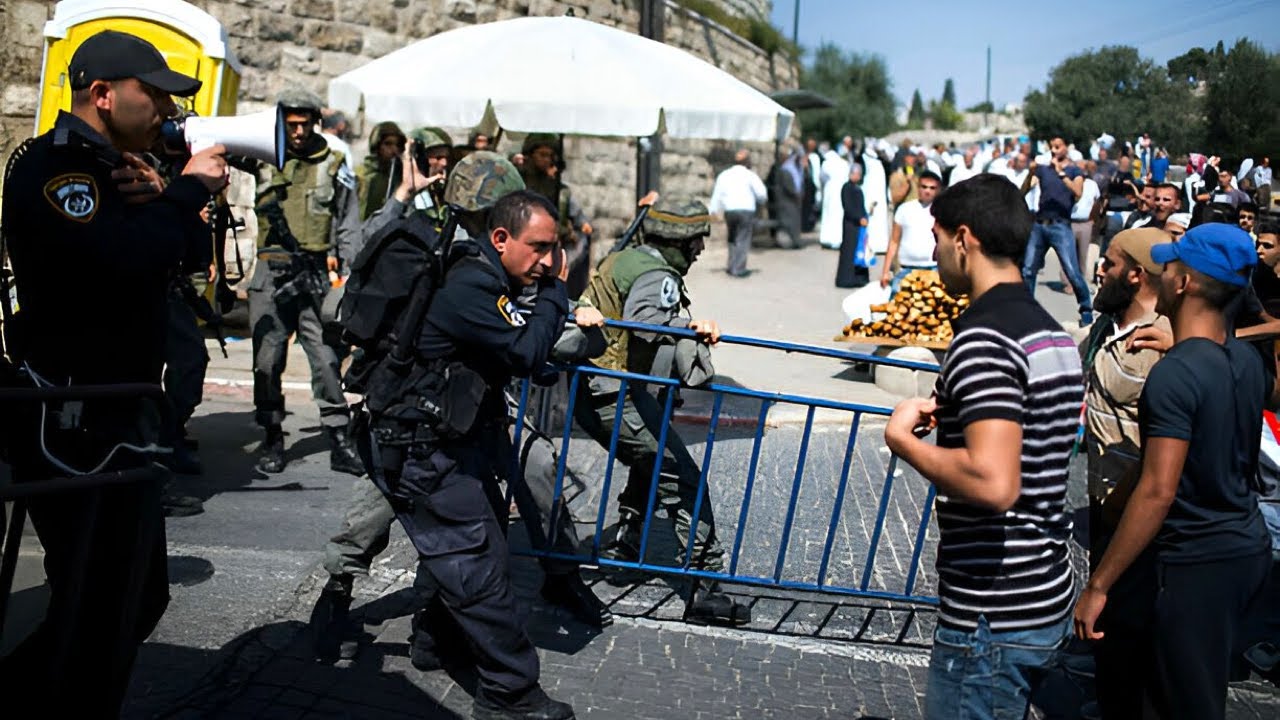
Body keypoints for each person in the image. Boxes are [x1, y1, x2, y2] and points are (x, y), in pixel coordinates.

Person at [0, 30, 227, 713]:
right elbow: (118, 261)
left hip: (118, 419)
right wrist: (182, 195)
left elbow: (180, 255)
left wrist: (167, 194)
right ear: (102, 94)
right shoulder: (57, 169)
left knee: (129, 597)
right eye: (151, 92)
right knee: (99, 603)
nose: (164, 107)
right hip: (74, 421)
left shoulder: (118, 166)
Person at [310, 151, 611, 666]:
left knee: (527, 478)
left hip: (472, 400)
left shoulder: (478, 258)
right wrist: (571, 320)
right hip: (424, 405)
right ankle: (339, 592)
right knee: (396, 500)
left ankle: (536, 585)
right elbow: (528, 341)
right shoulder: (461, 264)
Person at [360, 187, 577, 719]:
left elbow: (499, 351)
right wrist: (556, 294)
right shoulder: (472, 282)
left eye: (554, 250)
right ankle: (509, 694)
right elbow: (525, 350)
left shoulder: (480, 275)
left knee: (468, 553)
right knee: (478, 567)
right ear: (501, 238)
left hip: (441, 440)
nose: (547, 261)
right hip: (417, 449)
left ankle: (437, 643)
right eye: (539, 248)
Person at [884, 174, 1082, 720]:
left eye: (938, 236)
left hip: (992, 615)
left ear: (964, 239)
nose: (934, 250)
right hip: (1041, 594)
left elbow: (994, 482)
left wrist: (902, 440)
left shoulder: (984, 339)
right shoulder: (1050, 333)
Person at [1074, 224, 1272, 720]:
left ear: (1182, 285)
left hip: (1192, 565)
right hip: (1242, 551)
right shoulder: (1245, 361)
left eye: (1168, 269)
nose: (1160, 278)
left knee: (1181, 704)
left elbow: (1157, 491)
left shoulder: (1175, 375)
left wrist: (1099, 585)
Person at [576, 197, 752, 626]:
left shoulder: (627, 258)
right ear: (676, 242)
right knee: (684, 479)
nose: (699, 251)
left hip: (601, 390)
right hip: (614, 396)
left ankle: (628, 543)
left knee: (651, 464)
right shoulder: (658, 275)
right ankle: (704, 588)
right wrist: (690, 328)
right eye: (694, 242)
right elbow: (644, 322)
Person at [250, 88, 362, 475]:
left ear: (316, 122)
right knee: (267, 359)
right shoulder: (262, 155)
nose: (297, 133)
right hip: (271, 270)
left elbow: (348, 222)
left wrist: (349, 276)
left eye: (304, 124)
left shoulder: (334, 162)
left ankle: (338, 437)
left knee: (327, 358)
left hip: (315, 272)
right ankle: (271, 435)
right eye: (290, 125)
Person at [1021, 137, 1094, 326]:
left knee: (1072, 270)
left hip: (1060, 225)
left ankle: (1086, 310)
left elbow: (1077, 193)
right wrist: (1030, 174)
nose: (1053, 151)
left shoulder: (1074, 171)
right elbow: (1024, 190)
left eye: (1057, 147)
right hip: (1039, 224)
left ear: (1065, 148)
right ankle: (1026, 310)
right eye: (1051, 147)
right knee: (1028, 269)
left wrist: (1061, 173)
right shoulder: (1043, 170)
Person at [518, 134, 593, 298]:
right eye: (542, 155)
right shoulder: (519, 184)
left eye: (551, 156)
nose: (547, 160)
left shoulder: (560, 191)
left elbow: (579, 219)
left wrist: (578, 228)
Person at [708, 148, 767, 278]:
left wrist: (712, 210)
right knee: (743, 239)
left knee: (732, 238)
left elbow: (717, 194)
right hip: (746, 210)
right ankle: (738, 268)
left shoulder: (725, 175)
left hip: (730, 210)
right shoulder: (750, 175)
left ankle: (731, 265)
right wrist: (761, 201)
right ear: (747, 162)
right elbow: (762, 194)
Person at [880, 170, 940, 293]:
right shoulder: (904, 210)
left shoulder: (942, 212)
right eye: (924, 187)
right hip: (906, 270)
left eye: (932, 188)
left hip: (932, 270)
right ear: (918, 188)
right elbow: (894, 242)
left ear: (938, 190)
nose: (927, 191)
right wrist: (885, 272)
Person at [355, 120, 406, 220]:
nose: (394, 150)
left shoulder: (399, 176)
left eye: (398, 145)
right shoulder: (361, 174)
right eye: (388, 144)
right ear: (377, 146)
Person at [835, 163, 870, 288]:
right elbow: (848, 207)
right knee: (849, 251)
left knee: (859, 250)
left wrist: (866, 215)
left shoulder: (857, 188)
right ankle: (846, 279)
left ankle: (858, 277)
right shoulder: (847, 188)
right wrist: (858, 218)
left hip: (859, 225)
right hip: (851, 224)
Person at [770, 146, 804, 250]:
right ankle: (788, 243)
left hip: (794, 202)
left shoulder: (797, 168)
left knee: (794, 223)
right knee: (787, 224)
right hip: (786, 201)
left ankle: (795, 241)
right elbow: (789, 187)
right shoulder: (786, 169)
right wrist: (796, 194)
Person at [818, 147, 850, 250]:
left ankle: (827, 239)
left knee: (829, 215)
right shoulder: (844, 164)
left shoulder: (826, 164)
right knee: (839, 216)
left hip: (830, 192)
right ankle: (839, 239)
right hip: (842, 192)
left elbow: (821, 178)